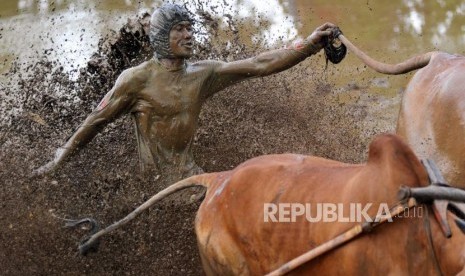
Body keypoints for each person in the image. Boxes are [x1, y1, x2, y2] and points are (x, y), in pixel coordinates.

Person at [35, 3, 337, 185]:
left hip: (194, 179)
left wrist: (309, 45)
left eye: (190, 28)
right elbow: (94, 122)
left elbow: (260, 64)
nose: (189, 34)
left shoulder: (202, 74)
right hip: (154, 188)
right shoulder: (135, 80)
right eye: (180, 29)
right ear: (160, 36)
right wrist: (58, 162)